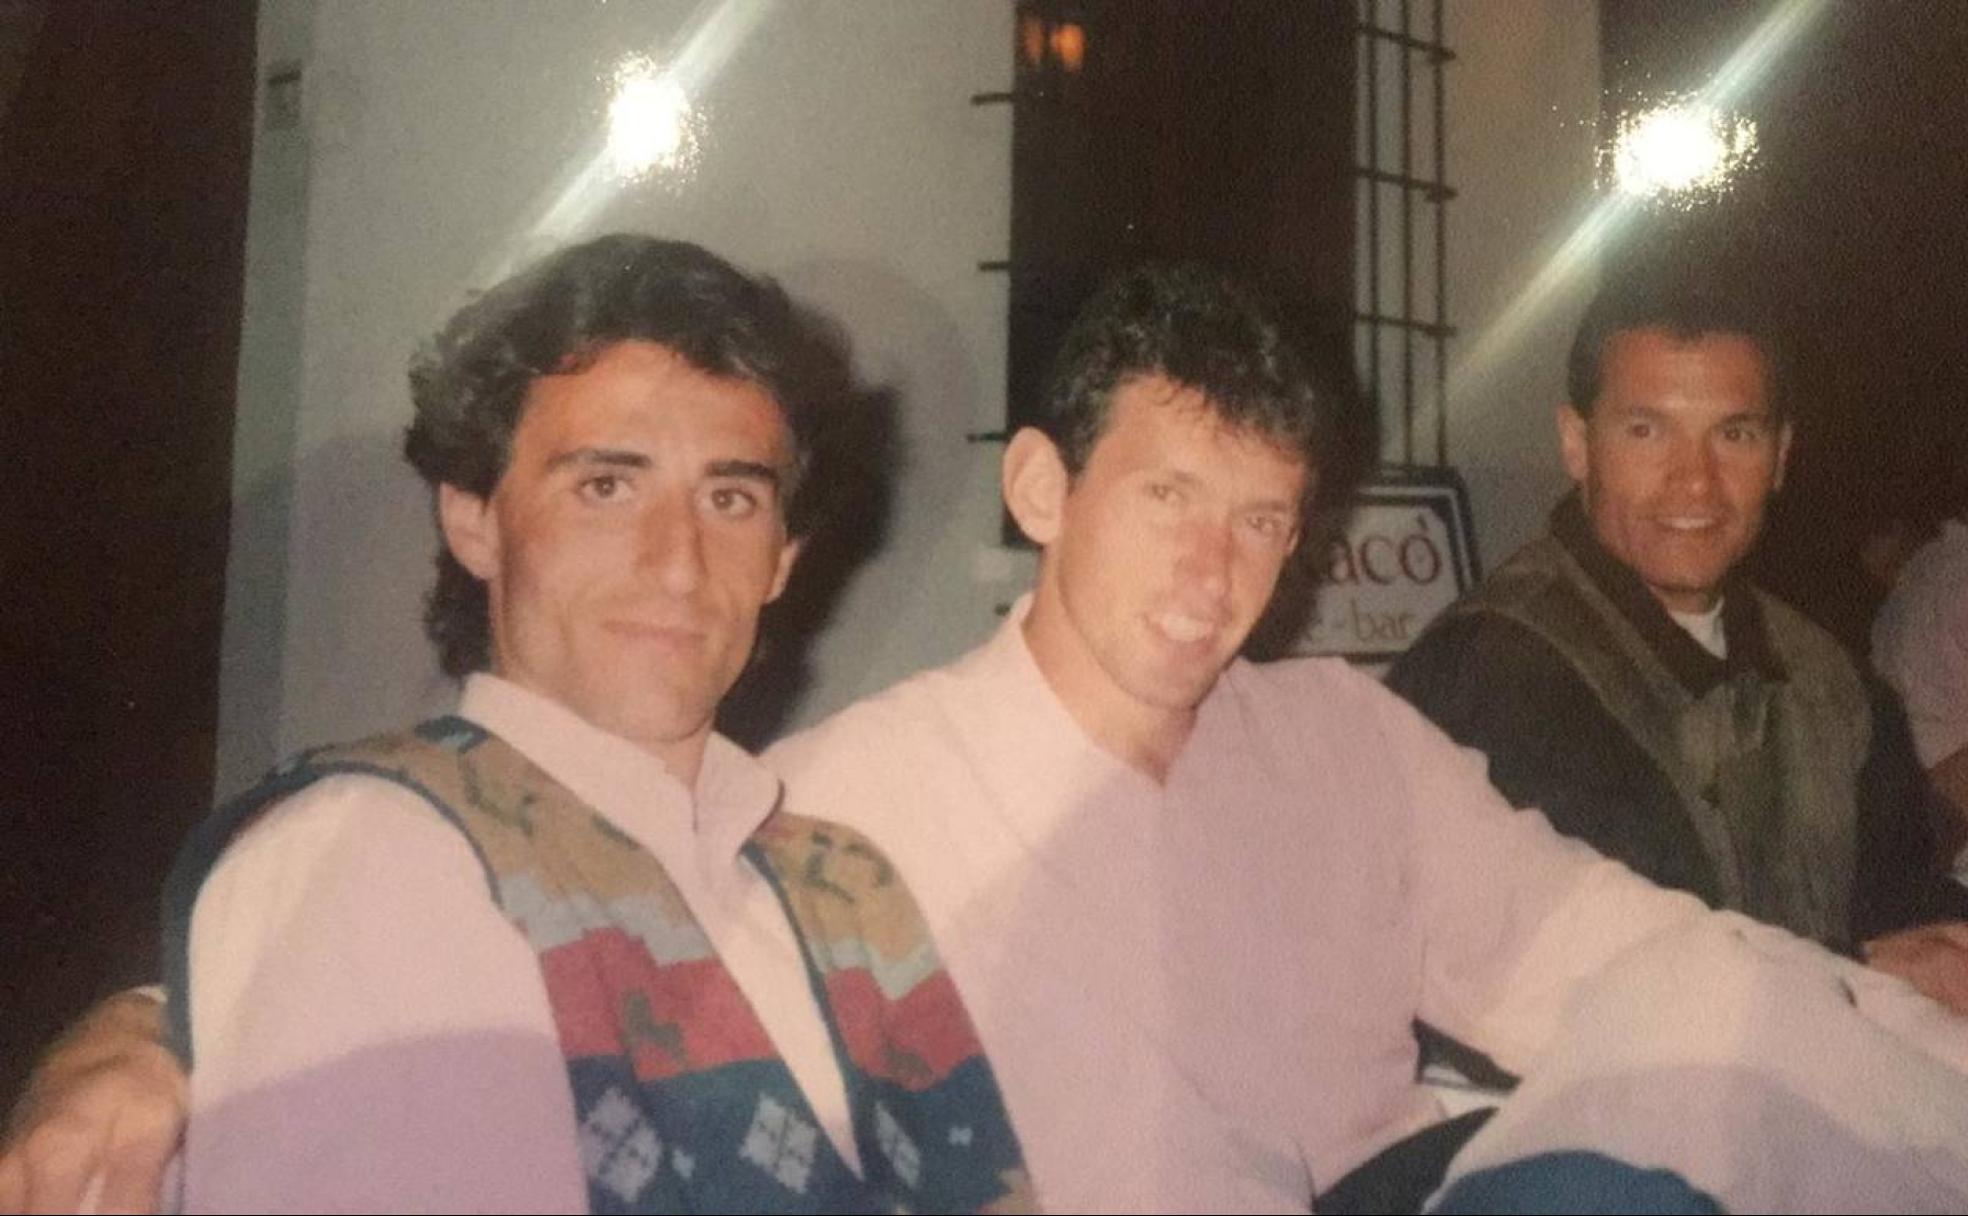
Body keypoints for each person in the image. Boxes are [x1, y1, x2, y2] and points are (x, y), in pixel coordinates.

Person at [9, 261, 1968, 1215]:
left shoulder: (1342, 738)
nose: (1212, 573)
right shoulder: (851, 810)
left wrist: (1866, 1018)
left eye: (1260, 519)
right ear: (1040, 486)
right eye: (1166, 498)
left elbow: (1617, 956)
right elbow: (528, 891)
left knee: (1718, 1031)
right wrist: (162, 1018)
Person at [9, 235, 1033, 1214]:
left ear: (781, 559)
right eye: (606, 486)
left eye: (729, 498)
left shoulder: (843, 888)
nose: (678, 563)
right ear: (474, 522)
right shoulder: (382, 858)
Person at [1387, 281, 1968, 969]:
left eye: (1735, 434)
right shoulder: (1486, 676)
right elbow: (1520, 980)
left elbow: (1908, 913)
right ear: (1577, 444)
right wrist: (1854, 974)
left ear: (1781, 456)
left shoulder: (1830, 684)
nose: (1696, 481)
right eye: (1647, 431)